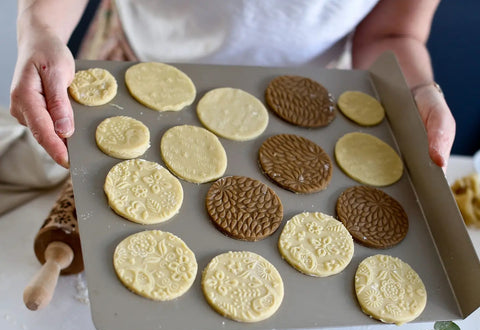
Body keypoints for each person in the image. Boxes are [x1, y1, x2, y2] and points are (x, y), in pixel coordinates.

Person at [10, 0, 455, 170]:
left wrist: (415, 91)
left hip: (305, 106)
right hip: (135, 69)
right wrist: (40, 27)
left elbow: (391, 32)